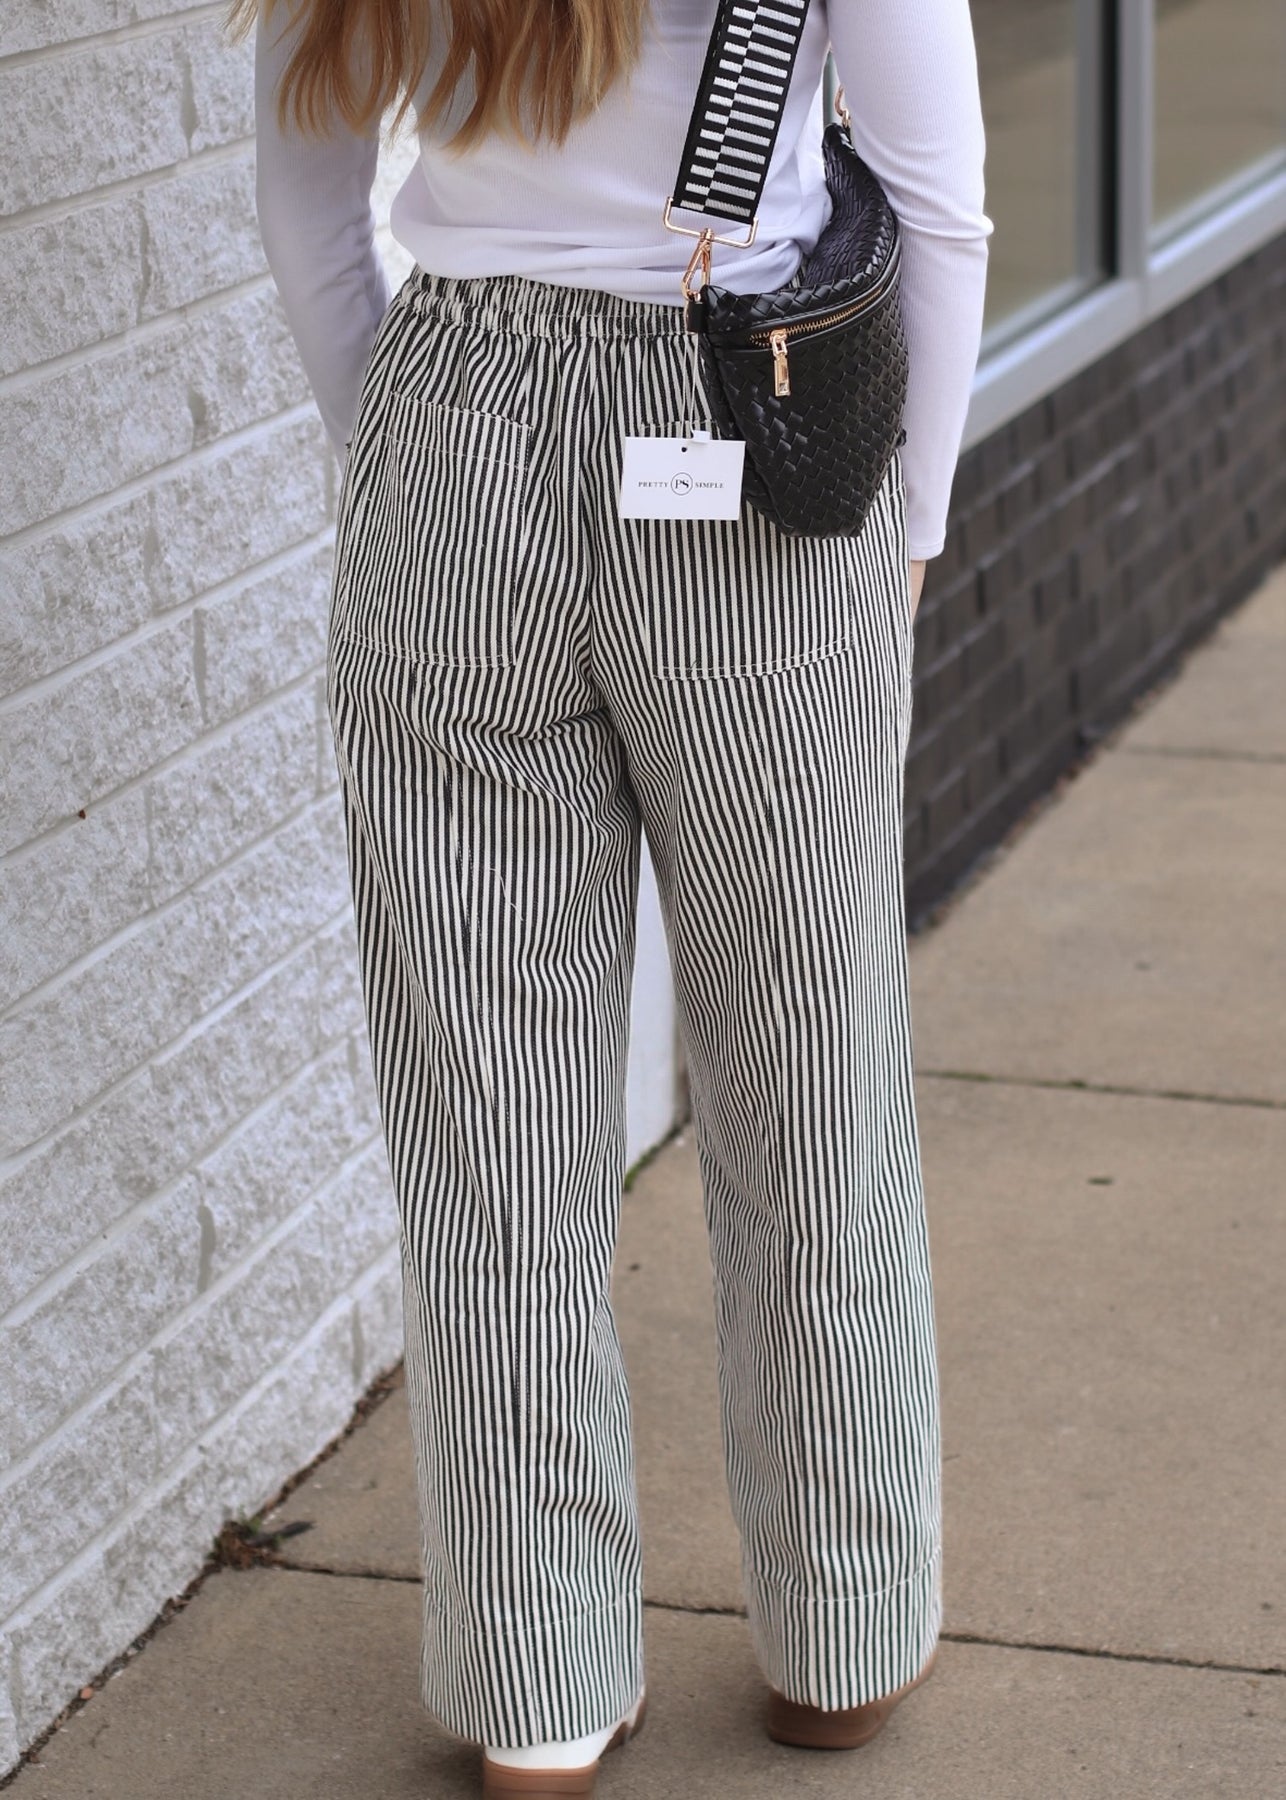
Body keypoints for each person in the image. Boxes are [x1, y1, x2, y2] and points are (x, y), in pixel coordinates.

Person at [244, 1, 990, 1792]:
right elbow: (938, 205)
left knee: (484, 1117)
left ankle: (539, 1687)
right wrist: (911, 526)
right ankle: (840, 1632)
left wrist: (413, 460)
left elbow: (304, 198)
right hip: (751, 436)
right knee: (807, 1083)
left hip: (449, 444)